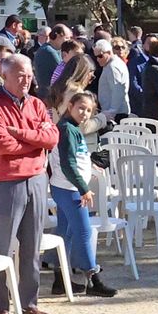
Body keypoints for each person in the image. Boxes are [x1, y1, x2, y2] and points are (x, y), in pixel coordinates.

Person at [0, 54, 58, 314]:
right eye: (20, 75)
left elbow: (52, 138)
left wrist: (22, 134)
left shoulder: (36, 104)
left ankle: (29, 302)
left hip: (36, 180)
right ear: (5, 76)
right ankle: (1, 304)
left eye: (29, 75)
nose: (26, 80)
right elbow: (2, 145)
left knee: (32, 245)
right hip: (4, 183)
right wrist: (35, 144)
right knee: (1, 247)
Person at [47, 92, 117, 297]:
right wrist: (83, 188)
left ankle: (60, 280)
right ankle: (93, 280)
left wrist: (91, 167)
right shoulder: (67, 129)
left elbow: (75, 158)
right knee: (84, 232)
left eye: (89, 110)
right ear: (70, 106)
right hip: (69, 190)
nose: (85, 113)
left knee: (65, 233)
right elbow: (68, 165)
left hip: (64, 187)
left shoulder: (72, 128)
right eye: (81, 108)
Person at [92, 39, 131, 123]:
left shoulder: (112, 67)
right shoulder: (113, 64)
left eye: (100, 56)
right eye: (96, 57)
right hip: (114, 112)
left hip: (116, 114)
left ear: (109, 52)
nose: (98, 59)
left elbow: (117, 90)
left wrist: (112, 111)